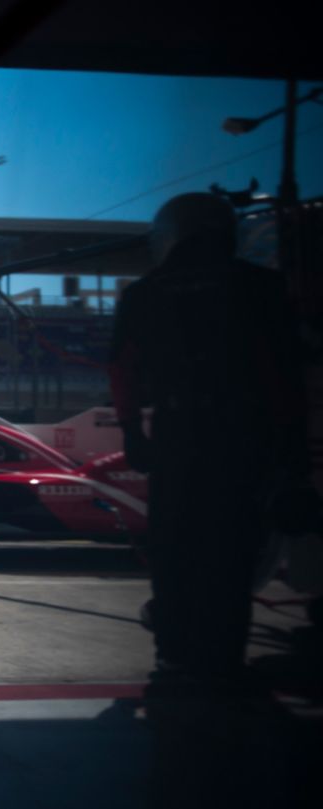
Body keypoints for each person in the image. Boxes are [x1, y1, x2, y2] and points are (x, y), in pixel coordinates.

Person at [108, 192, 308, 706]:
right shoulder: (261, 286)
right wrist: (291, 454)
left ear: (169, 234)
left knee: (174, 549)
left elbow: (123, 371)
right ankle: (222, 660)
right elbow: (286, 377)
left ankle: (174, 657)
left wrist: (132, 431)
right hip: (245, 436)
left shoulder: (145, 294)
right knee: (232, 554)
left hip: (178, 434)